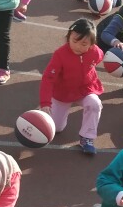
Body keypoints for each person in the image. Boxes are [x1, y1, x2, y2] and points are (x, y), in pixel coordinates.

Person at [40, 19, 104, 155]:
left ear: (92, 44)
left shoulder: (95, 52)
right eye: (74, 41)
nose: (78, 46)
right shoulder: (60, 54)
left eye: (84, 44)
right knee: (56, 128)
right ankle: (52, 112)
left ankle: (87, 137)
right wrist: (45, 103)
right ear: (68, 36)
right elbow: (48, 78)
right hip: (63, 93)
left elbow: (99, 57)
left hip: (85, 89)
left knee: (94, 104)